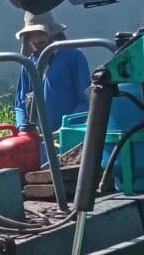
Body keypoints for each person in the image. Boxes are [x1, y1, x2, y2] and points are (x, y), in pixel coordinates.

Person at [14, 12, 91, 165]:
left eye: (41, 33)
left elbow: (86, 101)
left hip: (69, 140)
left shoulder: (73, 57)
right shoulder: (29, 65)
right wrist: (24, 128)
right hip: (39, 144)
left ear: (53, 33)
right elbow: (20, 105)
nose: (36, 40)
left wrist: (65, 129)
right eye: (31, 35)